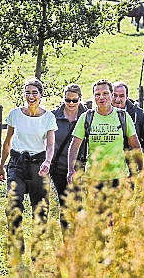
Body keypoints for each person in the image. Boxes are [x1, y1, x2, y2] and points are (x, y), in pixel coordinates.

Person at [0, 77, 57, 254]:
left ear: (41, 95)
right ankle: (17, 243)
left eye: (34, 93)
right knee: (13, 203)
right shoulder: (15, 114)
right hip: (17, 164)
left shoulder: (48, 118)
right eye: (28, 93)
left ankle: (37, 249)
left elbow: (51, 145)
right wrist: (1, 167)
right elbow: (7, 142)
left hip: (39, 165)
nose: (31, 96)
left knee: (40, 208)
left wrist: (47, 161)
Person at [67, 79, 144, 187]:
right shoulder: (86, 117)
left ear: (112, 95)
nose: (101, 97)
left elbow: (136, 146)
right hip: (93, 179)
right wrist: (71, 170)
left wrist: (141, 170)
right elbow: (74, 146)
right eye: (97, 94)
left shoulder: (123, 116)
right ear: (94, 97)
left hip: (120, 178)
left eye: (105, 93)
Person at [51, 84, 87, 231]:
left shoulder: (87, 116)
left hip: (80, 167)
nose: (71, 103)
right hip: (59, 167)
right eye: (68, 100)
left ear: (80, 99)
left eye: (74, 100)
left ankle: (78, 240)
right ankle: (67, 241)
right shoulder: (54, 116)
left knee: (78, 203)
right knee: (64, 204)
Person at [112, 81, 144, 153]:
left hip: (132, 161)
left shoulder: (137, 114)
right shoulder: (102, 113)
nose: (118, 99)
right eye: (114, 95)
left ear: (127, 97)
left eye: (121, 96)